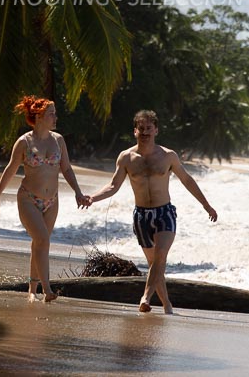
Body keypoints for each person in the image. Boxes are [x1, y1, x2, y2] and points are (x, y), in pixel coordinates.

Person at [88, 109, 217, 314]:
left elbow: (187, 180)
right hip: (141, 217)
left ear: (156, 130)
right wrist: (92, 198)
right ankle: (167, 305)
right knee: (154, 264)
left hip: (164, 214)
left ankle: (145, 298)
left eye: (149, 128)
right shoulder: (126, 158)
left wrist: (206, 205)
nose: (145, 132)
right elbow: (113, 186)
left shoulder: (168, 156)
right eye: (141, 128)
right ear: (135, 131)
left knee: (160, 256)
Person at [0, 95, 90, 302]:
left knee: (40, 243)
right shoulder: (24, 142)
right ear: (39, 117)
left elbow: (67, 169)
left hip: (52, 201)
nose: (55, 117)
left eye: (55, 113)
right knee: (43, 240)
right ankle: (47, 290)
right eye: (51, 114)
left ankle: (32, 290)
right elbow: (10, 169)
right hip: (28, 198)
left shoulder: (58, 140)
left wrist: (78, 192)